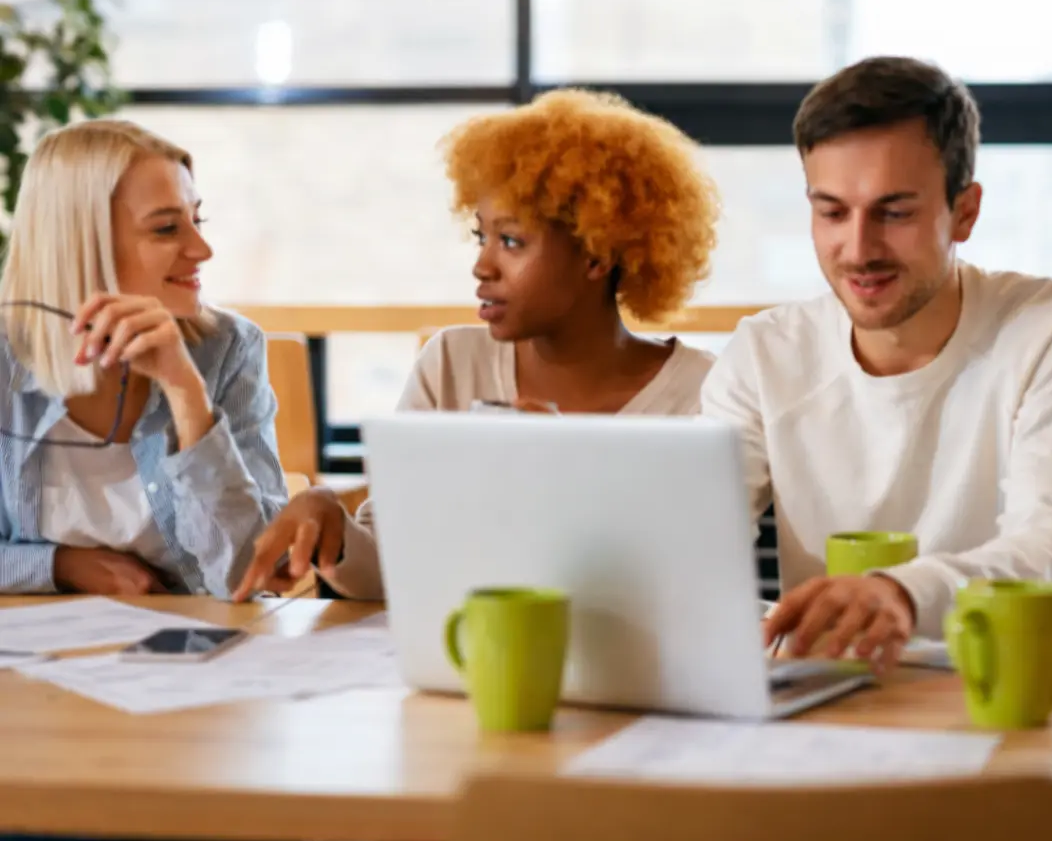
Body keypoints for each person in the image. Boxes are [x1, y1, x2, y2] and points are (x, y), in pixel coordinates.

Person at [704, 55, 1052, 668]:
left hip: (1009, 680)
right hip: (837, 692)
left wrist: (901, 593)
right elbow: (690, 538)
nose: (857, 249)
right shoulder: (764, 354)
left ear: (965, 211)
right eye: (830, 212)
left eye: (894, 212)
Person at [235, 88, 721, 603]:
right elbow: (393, 570)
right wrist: (330, 521)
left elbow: (681, 588)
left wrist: (570, 472)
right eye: (480, 237)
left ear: (596, 256)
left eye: (511, 242)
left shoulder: (701, 395)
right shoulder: (450, 364)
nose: (482, 266)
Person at [0, 120, 312, 841]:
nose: (201, 251)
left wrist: (185, 390)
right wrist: (60, 565)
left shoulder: (226, 349)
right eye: (167, 228)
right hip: (31, 708)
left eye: (197, 222)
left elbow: (249, 573)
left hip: (194, 698)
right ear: (82, 242)